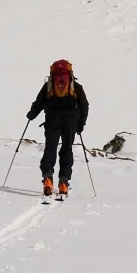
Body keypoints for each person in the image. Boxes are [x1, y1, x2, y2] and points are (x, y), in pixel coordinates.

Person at [26, 59, 89, 196]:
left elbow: (39, 102)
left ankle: (48, 178)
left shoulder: (49, 86)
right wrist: (80, 125)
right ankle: (64, 182)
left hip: (52, 119)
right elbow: (84, 106)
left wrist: (31, 114)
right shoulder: (75, 86)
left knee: (51, 147)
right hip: (70, 121)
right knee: (66, 149)